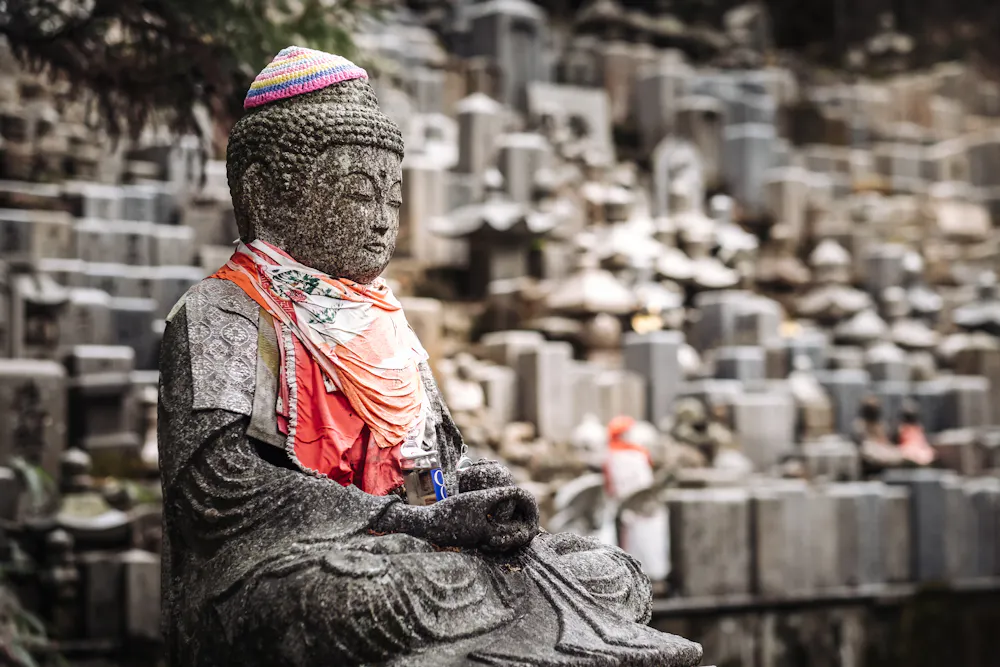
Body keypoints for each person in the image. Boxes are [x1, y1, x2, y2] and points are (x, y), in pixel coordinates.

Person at [157, 47, 701, 667]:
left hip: (416, 546)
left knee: (608, 572)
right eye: (360, 194)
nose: (384, 222)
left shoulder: (385, 323)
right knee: (358, 594)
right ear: (265, 194)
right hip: (290, 562)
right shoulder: (221, 311)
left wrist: (475, 489)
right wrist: (406, 522)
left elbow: (435, 461)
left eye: (393, 198)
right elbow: (218, 492)